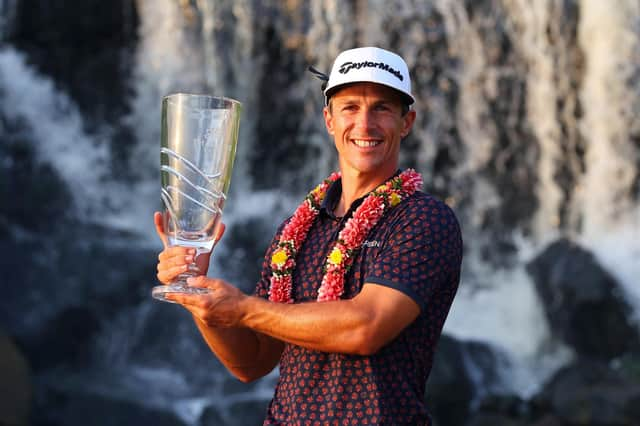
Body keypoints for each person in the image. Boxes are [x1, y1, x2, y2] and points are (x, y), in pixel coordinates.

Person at [154, 46, 463, 425]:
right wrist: (197, 290)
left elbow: (366, 327)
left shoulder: (423, 219)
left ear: (407, 122)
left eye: (381, 107)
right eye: (350, 107)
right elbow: (252, 362)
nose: (364, 125)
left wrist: (243, 309)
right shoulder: (297, 230)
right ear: (329, 120)